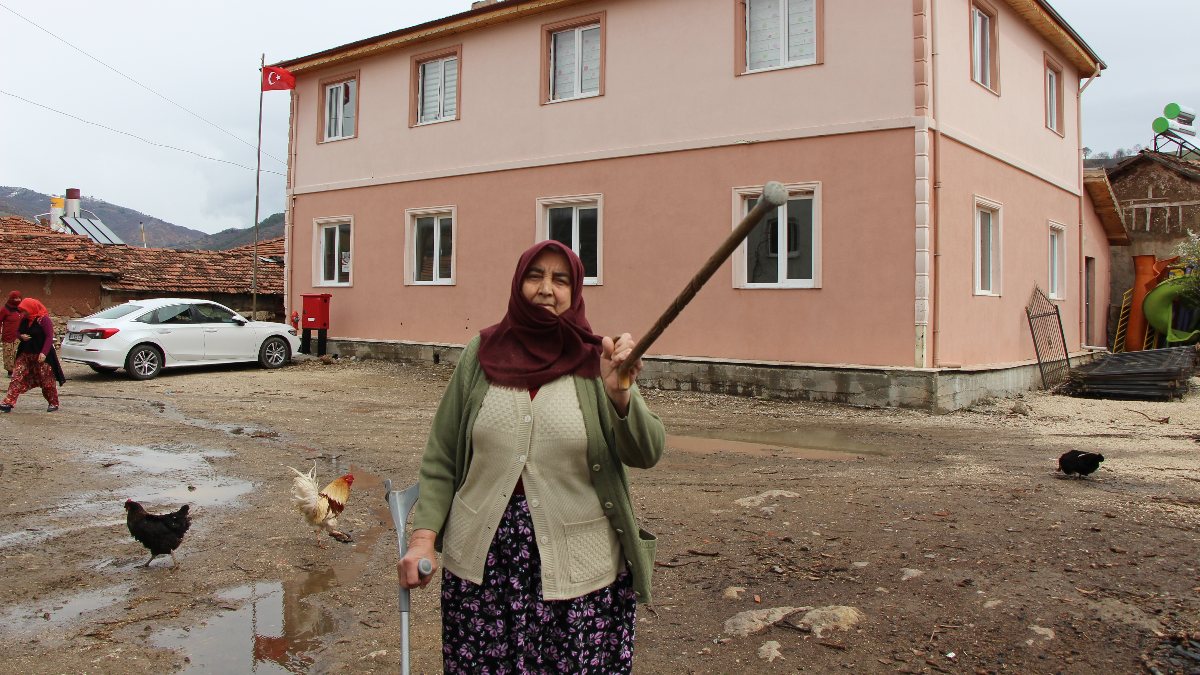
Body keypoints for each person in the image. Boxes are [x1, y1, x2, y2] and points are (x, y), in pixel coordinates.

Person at [398, 240, 665, 673]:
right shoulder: (479, 355)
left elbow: (647, 451)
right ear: (518, 284)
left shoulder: (599, 361)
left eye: (560, 280)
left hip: (581, 574)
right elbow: (442, 457)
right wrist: (423, 539)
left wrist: (621, 396)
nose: (546, 289)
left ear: (575, 291)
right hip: (483, 573)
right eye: (534, 276)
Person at [0, 298, 65, 413]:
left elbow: (49, 337)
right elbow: (17, 331)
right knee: (16, 376)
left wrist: (44, 353)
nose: (23, 312)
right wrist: (21, 336)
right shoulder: (24, 319)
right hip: (25, 353)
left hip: (42, 355)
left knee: (47, 381)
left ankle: (53, 402)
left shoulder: (44, 319)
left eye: (25, 310)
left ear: (31, 308)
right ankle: (8, 402)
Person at [0, 291, 22, 376]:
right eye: (15, 298)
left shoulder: (21, 309)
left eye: (19, 298)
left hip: (19, 335)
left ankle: (18, 370)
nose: (17, 300)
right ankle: (10, 371)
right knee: (9, 353)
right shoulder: (5, 309)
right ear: (11, 299)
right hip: (8, 335)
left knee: (18, 353)